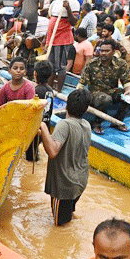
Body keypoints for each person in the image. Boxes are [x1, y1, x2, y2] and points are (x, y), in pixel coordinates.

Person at [37, 89, 92, 225]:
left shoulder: (64, 124)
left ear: (67, 105)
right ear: (85, 110)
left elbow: (53, 152)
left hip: (64, 186)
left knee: (60, 227)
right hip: (80, 181)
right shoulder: (86, 125)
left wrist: (43, 126)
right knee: (69, 217)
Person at [79, 39, 130, 134]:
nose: (103, 53)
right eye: (102, 50)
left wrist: (128, 91)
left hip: (112, 91)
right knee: (105, 99)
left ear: (113, 52)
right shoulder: (92, 64)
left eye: (107, 51)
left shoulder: (120, 64)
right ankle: (97, 123)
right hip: (94, 93)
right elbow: (82, 83)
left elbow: (127, 81)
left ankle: (117, 121)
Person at [46, 0, 80, 89]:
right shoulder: (57, 2)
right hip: (53, 38)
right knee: (50, 66)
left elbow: (74, 22)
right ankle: (49, 88)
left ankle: (58, 90)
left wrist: (68, 8)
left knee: (60, 67)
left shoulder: (73, 2)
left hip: (62, 39)